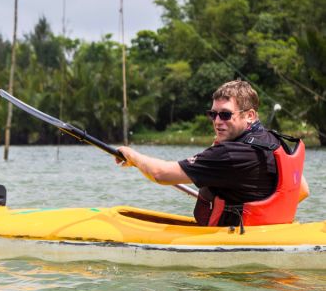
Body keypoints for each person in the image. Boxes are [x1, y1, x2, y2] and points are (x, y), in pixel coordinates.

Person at [115, 80, 309, 228]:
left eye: (225, 115)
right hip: (271, 232)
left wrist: (131, 155)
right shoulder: (274, 141)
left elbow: (161, 174)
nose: (217, 121)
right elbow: (301, 190)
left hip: (236, 238)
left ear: (249, 115)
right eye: (213, 114)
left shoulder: (229, 154)